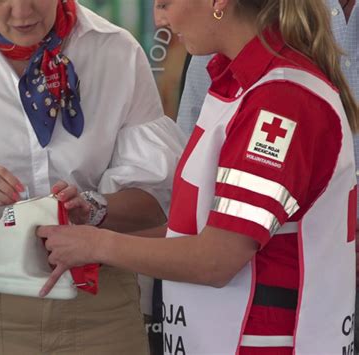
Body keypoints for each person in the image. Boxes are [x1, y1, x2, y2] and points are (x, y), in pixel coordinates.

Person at [37, 0, 359, 354]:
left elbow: (217, 259)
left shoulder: (278, 100)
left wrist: (96, 245)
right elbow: (198, 231)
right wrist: (93, 233)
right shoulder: (239, 84)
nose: (160, 19)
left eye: (165, 3)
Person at [0, 0, 186, 353]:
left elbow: (157, 202)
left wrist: (94, 208)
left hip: (98, 305)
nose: (21, 12)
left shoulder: (115, 51)